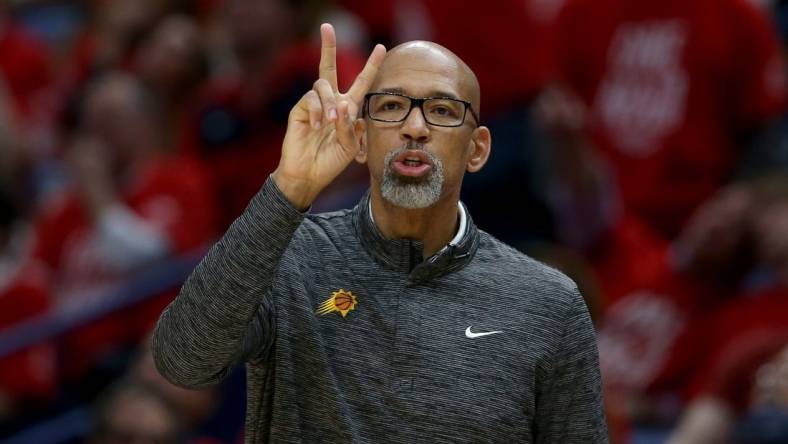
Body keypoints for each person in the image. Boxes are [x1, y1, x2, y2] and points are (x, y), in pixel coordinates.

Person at [153, 24, 607, 442]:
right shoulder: (286, 256)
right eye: (392, 106)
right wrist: (288, 189)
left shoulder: (548, 304)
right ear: (362, 138)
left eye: (442, 109)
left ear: (477, 149)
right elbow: (183, 360)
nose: (414, 128)